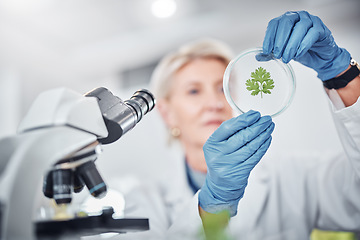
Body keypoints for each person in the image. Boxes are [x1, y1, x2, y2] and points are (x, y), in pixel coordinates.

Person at [119, 10, 360, 240]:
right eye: (194, 91)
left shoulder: (294, 176)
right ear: (167, 113)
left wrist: (342, 74)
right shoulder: (143, 201)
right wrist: (211, 207)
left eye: (221, 88)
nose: (214, 102)